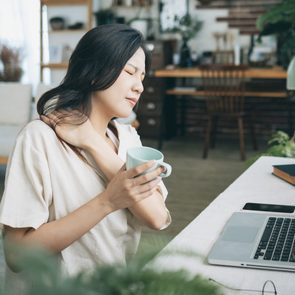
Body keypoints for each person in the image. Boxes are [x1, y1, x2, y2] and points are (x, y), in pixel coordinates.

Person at [0, 24, 171, 293]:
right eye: (129, 72)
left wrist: (93, 143)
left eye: (142, 77)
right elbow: (17, 255)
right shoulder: (39, 139)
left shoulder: (128, 139)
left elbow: (158, 218)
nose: (139, 87)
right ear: (94, 72)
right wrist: (108, 202)